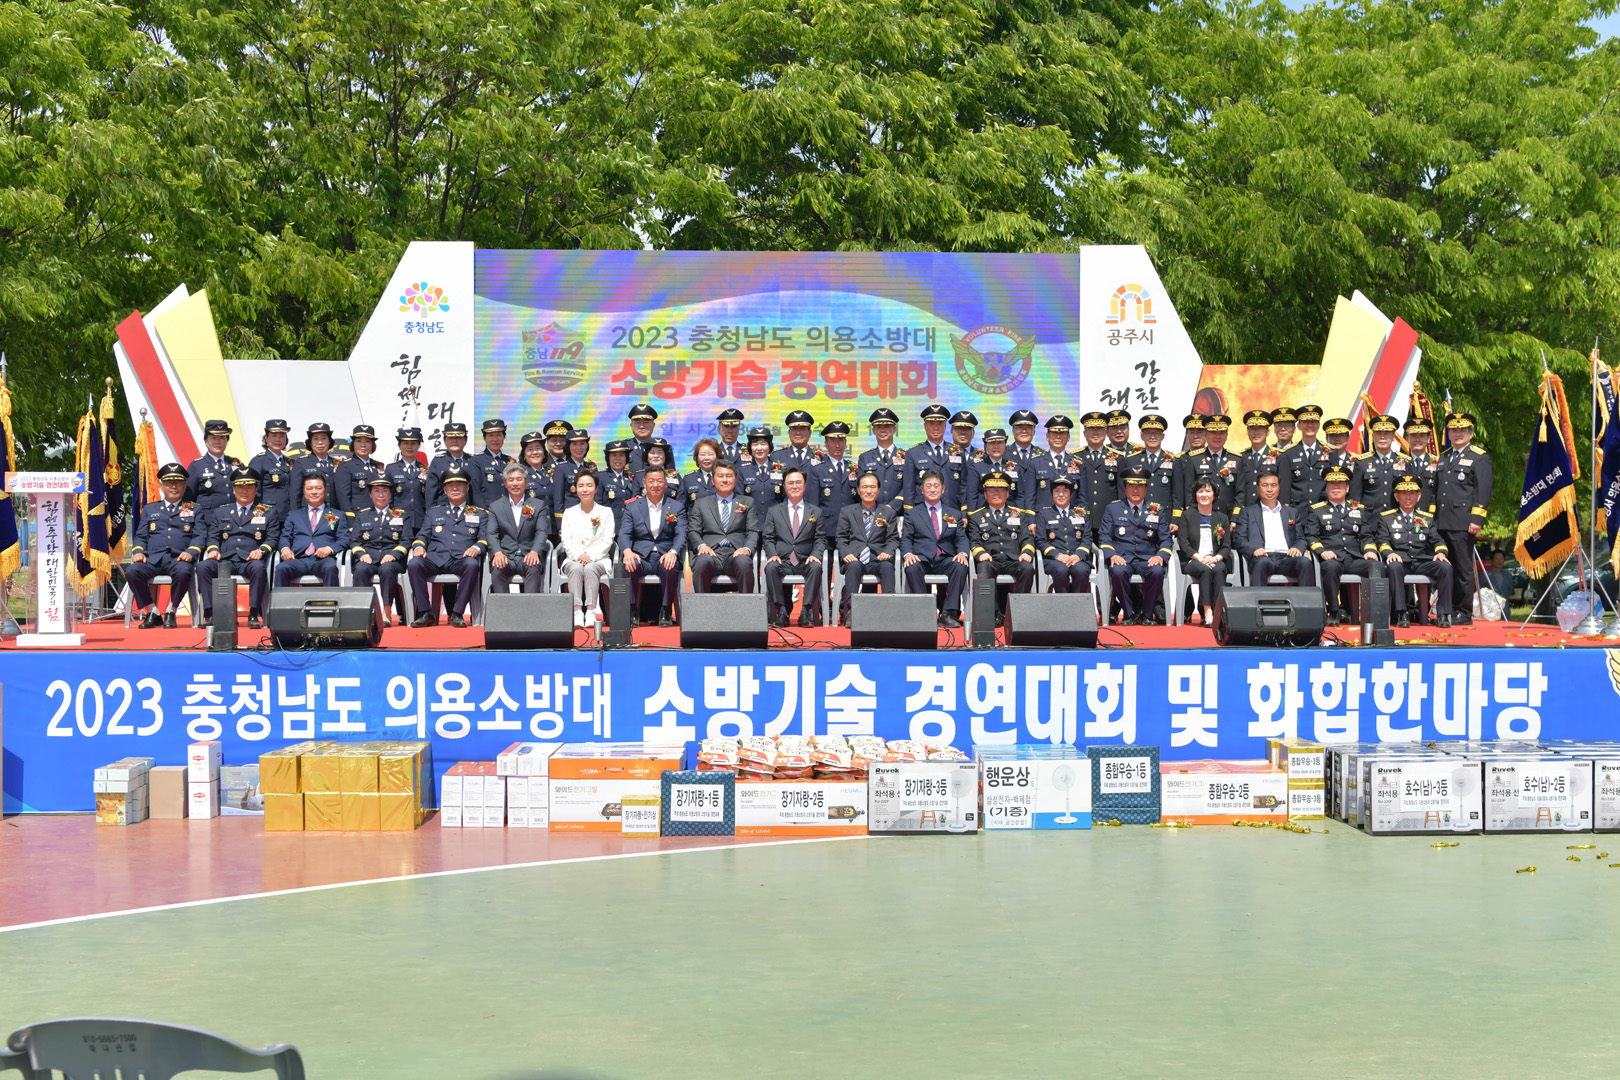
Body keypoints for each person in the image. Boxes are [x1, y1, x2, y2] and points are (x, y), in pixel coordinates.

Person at [406, 463, 487, 627]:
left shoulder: (480, 513)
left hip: (461, 559)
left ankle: (457, 613)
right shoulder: (434, 512)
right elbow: (422, 535)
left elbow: (484, 538)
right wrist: (419, 547)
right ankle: (425, 612)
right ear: (444, 490)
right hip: (435, 558)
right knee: (414, 564)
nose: (455, 489)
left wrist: (476, 548)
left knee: (472, 565)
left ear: (467, 488)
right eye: (450, 486)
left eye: (459, 485)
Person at [197, 467, 277, 629]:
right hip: (225, 559)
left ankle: (253, 613)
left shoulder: (268, 512)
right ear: (234, 490)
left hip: (250, 560)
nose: (244, 491)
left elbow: (273, 537)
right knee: (204, 566)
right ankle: (210, 613)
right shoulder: (221, 511)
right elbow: (212, 536)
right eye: (240, 487)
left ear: (256, 489)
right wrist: (213, 549)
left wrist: (261, 550)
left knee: (259, 568)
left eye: (249, 487)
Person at [127, 462, 204, 628]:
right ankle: (152, 611)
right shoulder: (150, 509)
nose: (174, 487)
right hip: (153, 559)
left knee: (184, 571)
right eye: (169, 483)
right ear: (161, 486)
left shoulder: (195, 509)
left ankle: (171, 610)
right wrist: (138, 551)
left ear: (184, 486)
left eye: (178, 483)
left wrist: (191, 551)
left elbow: (199, 536)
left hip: (178, 559)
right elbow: (140, 536)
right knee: (132, 571)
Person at [1374, 476, 1454, 627]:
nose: (1408, 497)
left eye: (1412, 493)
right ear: (1396, 497)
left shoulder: (1426, 518)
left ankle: (1443, 614)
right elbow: (1382, 541)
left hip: (1421, 561)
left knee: (1445, 567)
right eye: (1404, 493)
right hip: (1400, 561)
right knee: (1393, 566)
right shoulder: (1387, 518)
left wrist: (1441, 553)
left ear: (1418, 497)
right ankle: (1402, 613)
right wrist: (1390, 553)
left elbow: (1438, 540)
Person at [1303, 466, 1379, 625]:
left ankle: (1376, 612)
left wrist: (1370, 550)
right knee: (1330, 568)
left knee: (1376, 566)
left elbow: (1366, 536)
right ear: (1326, 488)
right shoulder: (1317, 510)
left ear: (1347, 488)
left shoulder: (1358, 509)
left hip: (1353, 558)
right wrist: (1322, 551)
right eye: (1332, 484)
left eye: (1340, 484)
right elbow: (1311, 536)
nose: (1336, 488)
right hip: (1332, 558)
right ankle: (1334, 612)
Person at [1436, 411, 1491, 624]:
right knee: (1445, 568)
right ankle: (1446, 610)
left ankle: (1464, 612)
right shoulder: (1444, 457)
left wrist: (1477, 519)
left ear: (1470, 433)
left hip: (1463, 522)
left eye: (1462, 430)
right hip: (1441, 522)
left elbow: (1483, 490)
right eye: (1453, 430)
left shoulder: (1479, 457)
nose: (1457, 434)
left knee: (1463, 569)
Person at [1099, 468, 1172, 625]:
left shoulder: (1157, 510)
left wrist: (1160, 556)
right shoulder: (1113, 509)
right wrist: (1112, 555)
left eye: (1140, 486)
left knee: (1157, 571)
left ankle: (1147, 614)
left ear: (1146, 488)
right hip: (1123, 558)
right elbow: (1104, 536)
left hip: (1147, 558)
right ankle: (1128, 613)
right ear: (1125, 488)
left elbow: (1166, 539)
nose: (1135, 490)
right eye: (1131, 486)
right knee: (1117, 572)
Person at [901, 470, 970, 628]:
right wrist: (908, 554)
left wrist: (962, 553)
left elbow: (961, 538)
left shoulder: (954, 513)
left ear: (943, 489)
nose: (932, 489)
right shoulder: (912, 514)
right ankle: (924, 611)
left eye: (936, 486)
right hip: (922, 559)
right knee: (911, 566)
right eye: (928, 486)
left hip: (945, 559)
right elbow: (906, 538)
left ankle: (948, 612)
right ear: (922, 489)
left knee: (961, 565)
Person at [619, 466, 686, 627]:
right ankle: (632, 611)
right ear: (644, 483)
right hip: (640, 555)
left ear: (665, 483)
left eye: (659, 481)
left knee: (670, 567)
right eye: (651, 481)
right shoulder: (632, 507)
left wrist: (673, 552)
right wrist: (627, 552)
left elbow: (681, 533)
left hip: (665, 554)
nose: (655, 485)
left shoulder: (676, 507)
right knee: (630, 565)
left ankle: (665, 611)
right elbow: (624, 533)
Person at [760, 467, 826, 627]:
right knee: (770, 567)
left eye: (798, 482)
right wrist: (772, 554)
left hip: (805, 560)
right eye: (790, 483)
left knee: (816, 567)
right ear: (784, 486)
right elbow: (768, 537)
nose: (794, 486)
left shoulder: (815, 512)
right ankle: (782, 611)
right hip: (782, 560)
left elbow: (820, 539)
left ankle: (805, 612)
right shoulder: (774, 511)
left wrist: (815, 554)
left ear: (805, 485)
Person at [968, 470, 1035, 626]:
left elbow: (1027, 538)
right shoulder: (976, 516)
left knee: (1027, 568)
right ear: (985, 494)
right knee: (984, 567)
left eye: (1001, 490)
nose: (996, 493)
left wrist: (1026, 552)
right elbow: (974, 541)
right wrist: (980, 553)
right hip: (992, 560)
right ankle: (994, 614)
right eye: (992, 490)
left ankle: (1017, 612)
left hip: (1013, 559)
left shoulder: (1019, 514)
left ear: (1007, 493)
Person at [835, 470, 899, 625]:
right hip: (855, 557)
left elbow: (893, 539)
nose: (869, 491)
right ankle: (851, 611)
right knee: (853, 566)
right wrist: (846, 554)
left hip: (878, 558)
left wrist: (887, 552)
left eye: (872, 487)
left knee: (887, 567)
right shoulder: (847, 512)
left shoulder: (888, 513)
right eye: (864, 487)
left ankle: (889, 610)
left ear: (878, 490)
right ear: (858, 490)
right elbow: (841, 538)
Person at [348, 475, 412, 625]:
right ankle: (363, 611)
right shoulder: (362, 515)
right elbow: (354, 541)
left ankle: (386, 612)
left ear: (390, 494)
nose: (381, 495)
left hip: (392, 559)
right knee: (360, 569)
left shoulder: (402, 515)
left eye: (385, 491)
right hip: (368, 558)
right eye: (376, 491)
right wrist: (361, 554)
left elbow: (407, 540)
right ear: (370, 495)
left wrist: (394, 554)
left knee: (387, 569)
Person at [1235, 470, 1315, 588]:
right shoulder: (1247, 512)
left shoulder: (1291, 512)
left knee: (1304, 562)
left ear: (1279, 487)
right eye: (1265, 485)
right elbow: (1239, 539)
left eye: (1273, 485)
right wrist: (1253, 550)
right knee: (1261, 563)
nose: (1269, 489)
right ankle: (1257, 599)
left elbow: (1301, 538)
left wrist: (1297, 548)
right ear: (1258, 488)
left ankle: (1307, 599)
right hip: (1263, 557)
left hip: (1287, 558)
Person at [687, 460, 757, 594]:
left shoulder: (747, 502)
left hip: (736, 552)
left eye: (729, 476)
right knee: (701, 562)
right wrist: (702, 546)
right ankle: (701, 607)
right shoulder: (701, 504)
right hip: (711, 553)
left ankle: (746, 606)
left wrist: (746, 548)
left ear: (735, 480)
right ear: (713, 480)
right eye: (720, 476)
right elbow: (693, 531)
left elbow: (752, 531)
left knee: (744, 562)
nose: (725, 480)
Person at [559, 469, 614, 628]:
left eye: (589, 485)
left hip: (599, 559)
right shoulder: (569, 513)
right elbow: (566, 540)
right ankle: (577, 610)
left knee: (590, 568)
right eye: (581, 485)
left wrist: (590, 556)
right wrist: (578, 556)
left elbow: (608, 540)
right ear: (575, 488)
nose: (585, 489)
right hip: (573, 559)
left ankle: (591, 610)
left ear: (596, 488)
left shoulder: (606, 512)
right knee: (576, 568)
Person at [275, 473, 349, 588]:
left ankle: (331, 599)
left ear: (325, 491)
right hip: (298, 559)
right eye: (309, 488)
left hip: (323, 560)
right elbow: (285, 536)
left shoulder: (338, 514)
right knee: (281, 568)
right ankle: (282, 600)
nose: (314, 492)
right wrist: (285, 549)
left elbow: (344, 539)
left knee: (330, 567)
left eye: (318, 488)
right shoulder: (294, 515)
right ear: (304, 492)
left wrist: (329, 549)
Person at [485, 463, 549, 594]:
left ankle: (530, 607)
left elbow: (541, 532)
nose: (515, 483)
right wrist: (497, 552)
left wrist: (534, 551)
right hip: (505, 555)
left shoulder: (538, 505)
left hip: (528, 554)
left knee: (533, 566)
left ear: (526, 482)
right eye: (511, 480)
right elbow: (491, 533)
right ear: (505, 483)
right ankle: (503, 607)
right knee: (497, 568)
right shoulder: (495, 507)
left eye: (519, 479)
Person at [1175, 478, 1231, 626]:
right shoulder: (1187, 515)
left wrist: (1216, 558)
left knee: (1219, 569)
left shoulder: (1222, 518)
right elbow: (1183, 542)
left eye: (1208, 491)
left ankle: (1219, 611)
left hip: (1215, 559)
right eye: (1200, 491)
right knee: (1205, 569)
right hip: (1193, 559)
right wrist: (1200, 558)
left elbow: (1226, 545)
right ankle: (1207, 611)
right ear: (1195, 495)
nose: (1204, 495)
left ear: (1214, 494)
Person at [903, 404, 969, 511]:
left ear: (945, 426)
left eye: (940, 424)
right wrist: (909, 514)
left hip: (952, 510)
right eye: (931, 424)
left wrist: (964, 512)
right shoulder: (913, 453)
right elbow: (908, 489)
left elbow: (964, 486)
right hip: (923, 511)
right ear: (925, 426)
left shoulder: (958, 451)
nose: (936, 428)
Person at [1173, 414, 1239, 520]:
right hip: (1201, 516)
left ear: (1227, 435)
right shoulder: (1192, 459)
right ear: (1206, 435)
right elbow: (1188, 492)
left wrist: (1235, 518)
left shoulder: (1236, 459)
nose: (1217, 437)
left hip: (1228, 516)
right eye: (1213, 433)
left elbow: (1240, 492)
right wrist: (1191, 516)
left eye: (1221, 433)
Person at [1034, 475, 1091, 596]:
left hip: (1077, 557)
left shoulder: (1081, 513)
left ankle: (1077, 604)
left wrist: (1078, 555)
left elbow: (1087, 539)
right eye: (1057, 491)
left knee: (1081, 570)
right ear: (1052, 495)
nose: (1061, 495)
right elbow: (1041, 541)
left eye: (1065, 491)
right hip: (1054, 560)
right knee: (1061, 570)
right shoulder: (1044, 514)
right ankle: (1063, 605)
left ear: (1071, 495)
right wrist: (1058, 555)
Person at [1350, 414, 1416, 514]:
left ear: (1393, 436)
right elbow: (1355, 497)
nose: (1382, 437)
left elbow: (1411, 493)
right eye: (1378, 433)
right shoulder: (1362, 463)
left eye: (1387, 433)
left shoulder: (1404, 462)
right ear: (1373, 436)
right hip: (1370, 519)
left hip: (1396, 518)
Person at [1028, 413, 1086, 514]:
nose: (1058, 437)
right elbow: (1030, 497)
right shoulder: (1036, 462)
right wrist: (1031, 519)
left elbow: (1083, 497)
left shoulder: (1078, 463)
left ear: (1068, 437)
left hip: (1070, 518)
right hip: (1042, 518)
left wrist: (1082, 517)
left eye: (1062, 433)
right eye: (1054, 433)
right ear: (1047, 436)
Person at [856, 408, 906, 516]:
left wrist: (893, 506)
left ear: (894, 429)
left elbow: (909, 486)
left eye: (887, 426)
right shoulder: (865, 458)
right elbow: (861, 486)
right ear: (873, 430)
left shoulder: (906, 456)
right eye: (879, 427)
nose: (883, 431)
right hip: (871, 513)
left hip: (899, 514)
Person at [1278, 404, 1331, 506]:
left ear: (1319, 425)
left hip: (1323, 509)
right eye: (1306, 422)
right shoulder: (1288, 453)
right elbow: (1285, 488)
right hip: (1297, 510)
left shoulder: (1330, 452)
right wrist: (1286, 511)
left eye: (1313, 422)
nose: (1310, 425)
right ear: (1298, 426)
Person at [185, 420, 241, 513]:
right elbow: (188, 499)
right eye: (213, 438)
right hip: (207, 519)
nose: (217, 442)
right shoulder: (196, 466)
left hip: (233, 517)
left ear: (227, 441)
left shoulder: (236, 464)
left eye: (221, 438)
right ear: (206, 441)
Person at [1122, 414, 1176, 510]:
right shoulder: (1132, 460)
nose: (1152, 437)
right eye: (1148, 433)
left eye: (1157, 433)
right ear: (1142, 436)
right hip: (1138, 512)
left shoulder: (1173, 460)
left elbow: (1177, 492)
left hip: (1164, 513)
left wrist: (1175, 516)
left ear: (1163, 436)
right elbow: (1125, 488)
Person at [968, 428, 1030, 512]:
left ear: (1005, 445)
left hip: (1010, 515)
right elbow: (972, 496)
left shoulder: (1014, 467)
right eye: (992, 443)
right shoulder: (977, 467)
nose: (996, 446)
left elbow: (1020, 496)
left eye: (1000, 443)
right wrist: (972, 516)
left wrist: (1020, 515)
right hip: (984, 514)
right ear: (986, 446)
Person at [808, 421, 857, 521]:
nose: (837, 445)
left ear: (845, 443)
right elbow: (813, 503)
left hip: (851, 523)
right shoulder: (817, 470)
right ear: (826, 444)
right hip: (827, 524)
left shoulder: (853, 468)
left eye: (840, 441)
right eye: (833, 441)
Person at [1073, 412, 1113, 530]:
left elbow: (1121, 492)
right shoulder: (1075, 457)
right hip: (1081, 518)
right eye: (1091, 429)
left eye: (1099, 429)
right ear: (1084, 433)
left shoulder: (1117, 457)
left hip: (1108, 519)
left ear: (1106, 432)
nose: (1095, 433)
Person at [384, 426, 429, 534]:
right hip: (398, 521)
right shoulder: (391, 469)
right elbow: (388, 497)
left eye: (413, 443)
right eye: (405, 443)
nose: (409, 447)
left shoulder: (426, 469)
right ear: (399, 445)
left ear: (419, 445)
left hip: (420, 522)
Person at [1233, 410, 1281, 508]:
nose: (1256, 432)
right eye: (1252, 428)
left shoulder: (1278, 456)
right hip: (1246, 510)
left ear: (1267, 432)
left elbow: (1283, 487)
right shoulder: (1241, 457)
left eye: (1260, 428)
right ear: (1247, 432)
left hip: (1270, 509)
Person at [333, 423, 386, 513]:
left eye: (367, 441)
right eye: (358, 441)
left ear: (373, 445)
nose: (363, 445)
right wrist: (350, 517)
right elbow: (343, 497)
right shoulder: (345, 466)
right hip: (358, 516)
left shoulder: (378, 466)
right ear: (353, 444)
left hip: (378, 515)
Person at [249, 419, 295, 519]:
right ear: (266, 438)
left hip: (290, 515)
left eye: (282, 436)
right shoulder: (259, 461)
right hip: (269, 515)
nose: (278, 440)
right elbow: (254, 492)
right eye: (274, 436)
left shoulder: (289, 462)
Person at [738, 427, 784, 517]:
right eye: (755, 444)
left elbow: (785, 498)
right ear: (750, 448)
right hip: (751, 521)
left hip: (775, 521)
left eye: (763, 444)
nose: (759, 448)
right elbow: (740, 499)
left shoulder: (780, 469)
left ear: (769, 447)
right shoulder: (743, 470)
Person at [424, 421, 473, 507]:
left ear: (465, 440)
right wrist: (431, 512)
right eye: (451, 438)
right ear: (444, 441)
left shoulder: (472, 460)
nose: (454, 441)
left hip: (469, 510)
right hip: (443, 511)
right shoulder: (438, 462)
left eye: (458, 437)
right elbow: (431, 493)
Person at [470, 419, 512, 507]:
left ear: (504, 437)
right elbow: (475, 491)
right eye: (491, 435)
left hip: (508, 510)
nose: (495, 439)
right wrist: (483, 512)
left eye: (498, 435)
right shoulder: (476, 461)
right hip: (487, 510)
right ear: (484, 438)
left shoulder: (509, 460)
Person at [291, 422, 341, 495]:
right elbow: (295, 492)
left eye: (324, 438)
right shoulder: (301, 463)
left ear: (329, 442)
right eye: (316, 439)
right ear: (310, 443)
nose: (320, 442)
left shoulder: (337, 463)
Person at [596, 439, 641, 516]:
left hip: (629, 521)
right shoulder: (601, 477)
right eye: (614, 455)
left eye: (621, 455)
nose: (618, 458)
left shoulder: (631, 477)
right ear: (608, 458)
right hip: (609, 521)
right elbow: (597, 503)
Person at [1404, 417, 1439, 509]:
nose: (1417, 440)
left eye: (1422, 436)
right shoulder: (1400, 463)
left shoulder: (1438, 463)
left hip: (1430, 514)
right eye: (1414, 436)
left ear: (1428, 438)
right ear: (1407, 438)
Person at [685, 437, 720, 515]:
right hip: (695, 521)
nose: (706, 458)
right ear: (697, 458)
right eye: (702, 454)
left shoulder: (723, 477)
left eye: (710, 454)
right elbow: (683, 507)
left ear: (717, 457)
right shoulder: (688, 479)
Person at [626, 404, 658, 473]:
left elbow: (670, 474)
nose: (641, 426)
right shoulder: (624, 447)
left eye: (646, 422)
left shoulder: (662, 447)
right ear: (631, 426)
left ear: (653, 425)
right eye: (637, 423)